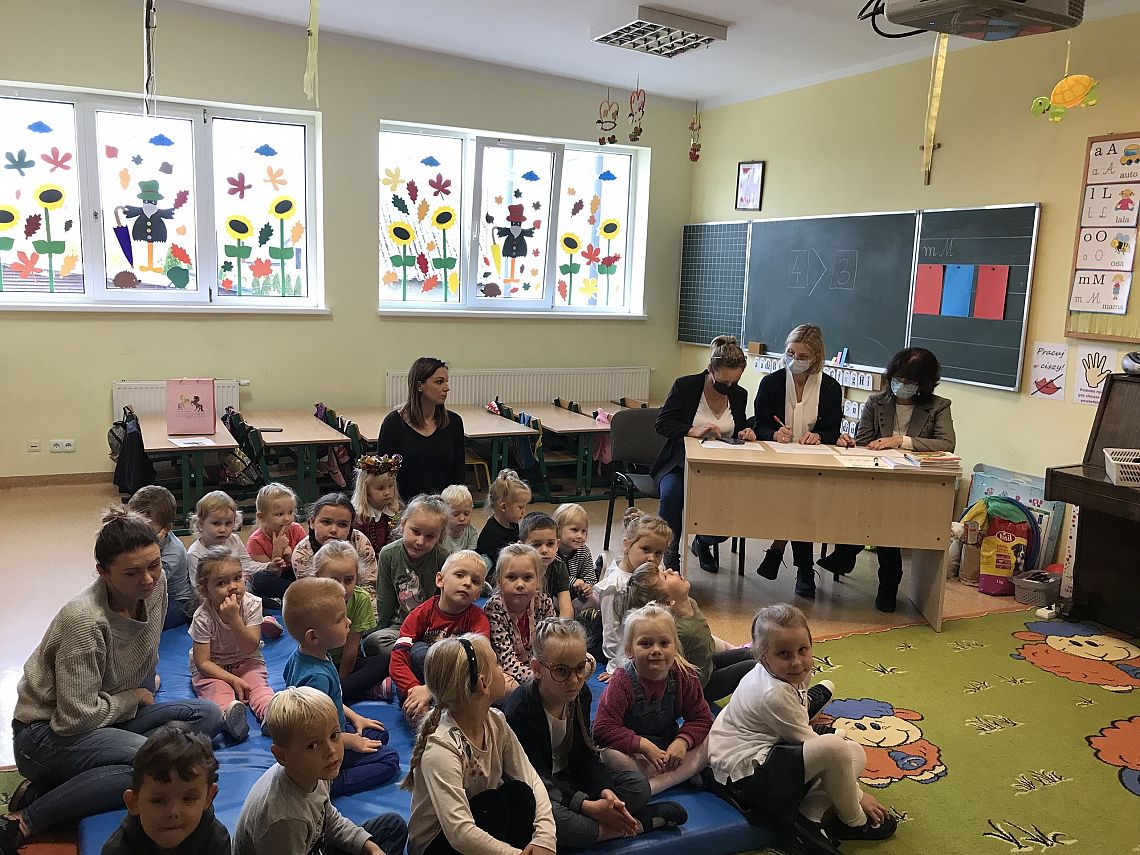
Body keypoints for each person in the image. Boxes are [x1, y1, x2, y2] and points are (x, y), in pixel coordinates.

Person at [5, 508, 223, 851]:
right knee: (151, 766)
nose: (148, 579)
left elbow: (145, 650)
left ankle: (57, 785)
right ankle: (26, 819)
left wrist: (140, 690)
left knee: (208, 715)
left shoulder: (156, 587)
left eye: (154, 565)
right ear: (103, 572)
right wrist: (133, 697)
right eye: (132, 573)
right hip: (46, 734)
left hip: (108, 715)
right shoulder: (84, 620)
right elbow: (74, 719)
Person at [707, 604, 895, 855]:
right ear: (763, 656)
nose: (796, 662)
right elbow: (818, 746)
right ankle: (854, 822)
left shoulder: (786, 675)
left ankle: (808, 819)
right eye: (784, 654)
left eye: (802, 650)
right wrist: (859, 796)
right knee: (837, 748)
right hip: (743, 777)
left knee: (854, 752)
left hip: (770, 752)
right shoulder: (774, 694)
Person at [503, 618, 688, 849]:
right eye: (561, 671)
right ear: (537, 669)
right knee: (555, 822)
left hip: (571, 780)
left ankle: (600, 824)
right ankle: (639, 824)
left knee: (638, 786)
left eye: (580, 668)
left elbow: (585, 756)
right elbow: (534, 777)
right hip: (541, 788)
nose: (574, 680)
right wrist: (587, 806)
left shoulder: (580, 695)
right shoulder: (519, 711)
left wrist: (605, 793)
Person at [817, 347, 956, 612]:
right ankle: (885, 582)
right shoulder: (876, 402)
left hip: (913, 484)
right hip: (877, 479)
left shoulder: (939, 406)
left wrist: (900, 441)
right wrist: (851, 443)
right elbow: (864, 440)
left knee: (889, 518)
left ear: (924, 383)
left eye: (909, 381)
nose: (901, 384)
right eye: (897, 378)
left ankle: (850, 554)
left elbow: (946, 443)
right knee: (875, 512)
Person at [403, 634, 557, 855]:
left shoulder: (496, 721)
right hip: (437, 843)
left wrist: (545, 837)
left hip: (478, 821)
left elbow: (530, 779)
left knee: (520, 794)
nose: (502, 669)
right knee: (491, 805)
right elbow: (460, 832)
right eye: (496, 664)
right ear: (483, 684)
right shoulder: (441, 747)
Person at [234, 687, 408, 855]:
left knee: (392, 827)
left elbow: (326, 819)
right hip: (297, 844)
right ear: (282, 756)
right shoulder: (285, 820)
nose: (331, 751)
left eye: (334, 736)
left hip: (312, 844)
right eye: (312, 745)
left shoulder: (315, 771)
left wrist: (368, 846)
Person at [281, 577, 400, 796]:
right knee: (390, 759)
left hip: (333, 730)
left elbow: (330, 700)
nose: (348, 622)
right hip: (322, 746)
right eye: (339, 619)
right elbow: (313, 735)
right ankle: (329, 784)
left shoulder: (304, 656)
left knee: (378, 733)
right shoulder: (316, 678)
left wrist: (355, 718)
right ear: (314, 636)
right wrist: (350, 741)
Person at [753, 325, 847, 597]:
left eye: (802, 355)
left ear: (816, 357)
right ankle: (804, 568)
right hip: (775, 462)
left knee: (802, 498)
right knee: (799, 500)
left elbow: (832, 430)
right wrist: (774, 433)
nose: (794, 359)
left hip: (812, 464)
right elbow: (758, 425)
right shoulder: (771, 383)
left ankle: (779, 548)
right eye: (790, 352)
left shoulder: (830, 387)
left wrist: (818, 436)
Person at [650, 335, 756, 572]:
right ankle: (670, 555)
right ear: (710, 369)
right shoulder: (686, 386)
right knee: (672, 495)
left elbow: (737, 427)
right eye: (724, 381)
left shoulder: (739, 394)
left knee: (732, 509)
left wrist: (745, 432)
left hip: (722, 467)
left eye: (735, 381)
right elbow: (662, 424)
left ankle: (703, 541)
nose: (729, 387)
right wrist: (692, 430)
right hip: (680, 464)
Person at [593, 605, 714, 795]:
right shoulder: (622, 681)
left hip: (670, 747)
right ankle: (678, 775)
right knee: (610, 756)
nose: (656, 650)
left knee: (713, 737)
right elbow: (603, 728)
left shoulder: (684, 675)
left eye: (664, 643)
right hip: (636, 753)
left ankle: (654, 782)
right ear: (629, 650)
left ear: (675, 646)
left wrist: (683, 742)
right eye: (646, 644)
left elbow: (702, 718)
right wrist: (642, 745)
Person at [622, 564, 755, 704]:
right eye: (665, 576)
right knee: (751, 666)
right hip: (701, 685)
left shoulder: (690, 602)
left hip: (708, 662)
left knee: (756, 653)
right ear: (668, 602)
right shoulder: (675, 630)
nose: (670, 570)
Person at [391, 551, 491, 726]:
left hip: (457, 683)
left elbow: (479, 663)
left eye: (475, 581)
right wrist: (413, 688)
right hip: (420, 680)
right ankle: (427, 712)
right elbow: (398, 657)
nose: (467, 583)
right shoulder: (421, 613)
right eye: (459, 575)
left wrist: (430, 690)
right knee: (419, 652)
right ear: (440, 580)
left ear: (478, 594)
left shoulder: (478, 619)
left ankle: (438, 714)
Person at [100, 724, 229, 855]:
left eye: (188, 799)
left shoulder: (216, 841)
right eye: (158, 800)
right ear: (133, 802)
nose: (173, 812)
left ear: (208, 797)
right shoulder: (118, 850)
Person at [190, 546, 275, 742]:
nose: (233, 586)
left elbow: (250, 647)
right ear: (205, 590)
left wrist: (234, 619)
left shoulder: (252, 604)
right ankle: (230, 718)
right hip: (214, 668)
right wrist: (231, 679)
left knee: (257, 686)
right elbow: (203, 663)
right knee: (219, 692)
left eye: (237, 578)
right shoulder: (203, 617)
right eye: (221, 583)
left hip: (246, 660)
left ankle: (271, 714)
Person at [366, 493, 451, 658]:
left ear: (439, 537)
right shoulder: (388, 554)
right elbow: (385, 599)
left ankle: (413, 654)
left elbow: (444, 601)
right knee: (373, 641)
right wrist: (381, 628)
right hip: (400, 627)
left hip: (431, 628)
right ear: (403, 524)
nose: (420, 542)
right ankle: (418, 655)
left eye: (430, 536)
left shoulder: (442, 557)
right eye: (415, 532)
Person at [595, 508, 671, 681]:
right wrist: (617, 669)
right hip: (628, 652)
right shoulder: (615, 585)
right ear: (627, 545)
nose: (652, 558)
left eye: (658, 553)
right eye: (646, 549)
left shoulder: (656, 570)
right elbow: (612, 632)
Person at [377, 357, 466, 502]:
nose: (447, 387)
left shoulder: (453, 422)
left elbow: (459, 474)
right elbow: (383, 475)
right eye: (439, 382)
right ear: (419, 386)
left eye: (446, 381)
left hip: (443, 507)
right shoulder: (393, 424)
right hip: (404, 507)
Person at [313, 540, 390, 704]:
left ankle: (336, 693)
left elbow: (351, 649)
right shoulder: (311, 601)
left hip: (347, 664)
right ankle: (357, 691)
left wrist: (341, 681)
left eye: (348, 580)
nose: (342, 588)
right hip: (318, 663)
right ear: (318, 577)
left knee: (386, 661)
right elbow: (309, 650)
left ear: (357, 577)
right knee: (311, 679)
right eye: (334, 581)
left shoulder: (360, 599)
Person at [484, 544, 558, 694]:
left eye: (527, 578)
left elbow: (554, 642)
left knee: (586, 661)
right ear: (499, 581)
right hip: (507, 670)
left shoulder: (544, 602)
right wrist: (540, 678)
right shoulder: (494, 608)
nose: (520, 585)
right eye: (511, 577)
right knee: (507, 688)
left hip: (538, 666)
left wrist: (555, 670)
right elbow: (506, 660)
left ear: (538, 581)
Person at [291, 493, 378, 606]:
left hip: (359, 605)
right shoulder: (302, 553)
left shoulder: (360, 541)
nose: (333, 530)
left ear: (350, 528)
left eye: (342, 524)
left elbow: (370, 586)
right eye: (326, 522)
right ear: (312, 522)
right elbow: (311, 595)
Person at [127, 485, 194, 629]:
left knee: (140, 623)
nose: (139, 532)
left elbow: (153, 581)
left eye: (147, 528)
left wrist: (154, 545)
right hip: (153, 595)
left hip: (178, 603)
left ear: (166, 528)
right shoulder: (142, 538)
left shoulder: (173, 551)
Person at [246, 483, 306, 602]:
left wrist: (292, 558)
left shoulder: (297, 529)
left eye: (290, 512)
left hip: (296, 574)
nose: (287, 518)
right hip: (275, 577)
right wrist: (277, 551)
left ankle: (296, 594)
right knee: (258, 580)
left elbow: (306, 567)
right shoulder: (255, 541)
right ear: (261, 517)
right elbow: (272, 574)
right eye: (280, 514)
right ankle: (299, 593)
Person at [186, 491, 257, 586]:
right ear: (201, 524)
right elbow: (198, 588)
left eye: (228, 523)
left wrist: (268, 566)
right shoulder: (195, 553)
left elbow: (247, 566)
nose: (223, 529)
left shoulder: (234, 540)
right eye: (216, 523)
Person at [520, 511, 573, 619]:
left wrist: (562, 627)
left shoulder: (559, 567)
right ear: (521, 546)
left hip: (545, 614)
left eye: (550, 544)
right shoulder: (518, 568)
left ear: (557, 545)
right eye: (536, 545)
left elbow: (566, 608)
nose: (544, 550)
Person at [476, 469, 531, 571]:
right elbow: (502, 566)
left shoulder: (512, 523)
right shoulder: (492, 535)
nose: (524, 511)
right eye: (520, 507)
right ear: (503, 507)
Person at [352, 454, 404, 556]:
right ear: (366, 489)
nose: (387, 492)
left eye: (391, 486)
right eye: (380, 488)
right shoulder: (359, 518)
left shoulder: (398, 511)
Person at [553, 503, 599, 608]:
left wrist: (587, 587)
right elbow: (552, 579)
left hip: (576, 596)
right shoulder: (552, 551)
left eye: (583, 531)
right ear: (558, 529)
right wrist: (573, 582)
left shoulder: (584, 551)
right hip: (556, 594)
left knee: (596, 599)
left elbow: (590, 580)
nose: (580, 536)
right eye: (574, 530)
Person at [440, 484, 480, 554]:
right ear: (443, 513)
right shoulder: (440, 535)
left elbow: (470, 556)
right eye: (456, 514)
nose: (462, 518)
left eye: (466, 514)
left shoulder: (471, 533)